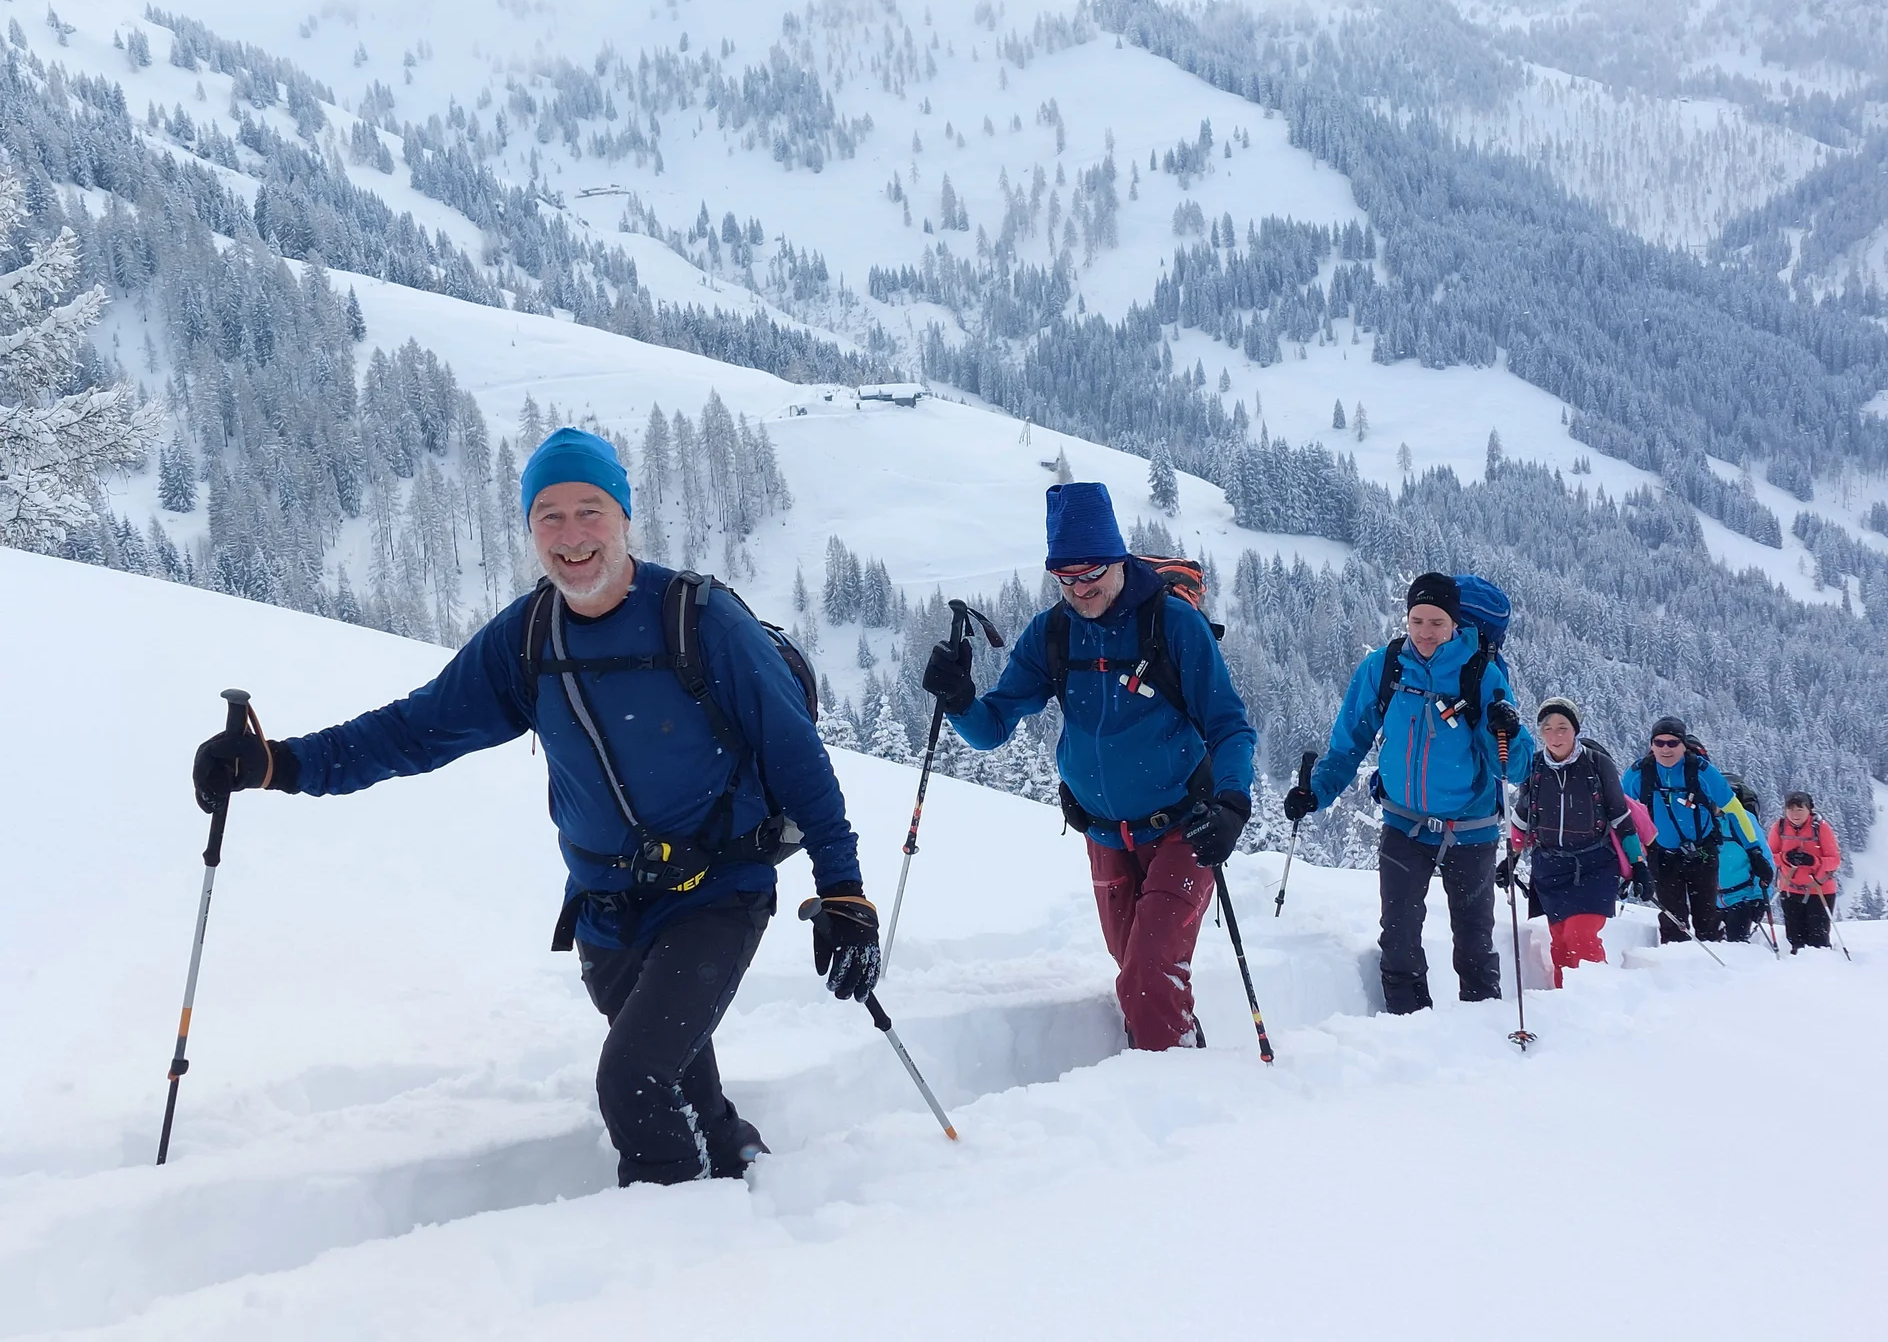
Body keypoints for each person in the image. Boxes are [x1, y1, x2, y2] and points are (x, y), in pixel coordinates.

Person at [190, 428, 876, 1188]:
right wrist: (279, 764)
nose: (572, 536)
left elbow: (797, 758)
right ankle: (741, 1176)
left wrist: (844, 890)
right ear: (529, 529)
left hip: (716, 895)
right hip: (606, 913)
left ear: (624, 518)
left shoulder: (702, 623)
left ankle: (675, 1235)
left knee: (634, 1081)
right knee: (680, 1084)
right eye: (549, 516)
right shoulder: (527, 640)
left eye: (590, 511)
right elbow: (416, 729)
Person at [920, 481, 1256, 1050]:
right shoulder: (1052, 634)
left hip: (1185, 828)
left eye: (1092, 572)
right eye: (1065, 577)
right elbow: (992, 729)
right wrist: (959, 700)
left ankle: (1170, 1089)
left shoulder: (1174, 626)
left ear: (1118, 558)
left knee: (1149, 978)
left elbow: (1230, 727)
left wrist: (1231, 804)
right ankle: (1184, 1062)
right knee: (1138, 974)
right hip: (1104, 834)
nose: (1080, 589)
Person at [1284, 573, 1533, 1014]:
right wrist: (1316, 793)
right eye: (1417, 620)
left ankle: (1483, 1029)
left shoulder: (1480, 674)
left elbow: (1513, 768)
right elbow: (1348, 745)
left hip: (1470, 829)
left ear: (1454, 624)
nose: (1425, 632)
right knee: (1398, 939)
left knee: (1474, 943)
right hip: (1404, 825)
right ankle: (1408, 1028)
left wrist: (1508, 732)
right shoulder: (1385, 667)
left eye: (1437, 622)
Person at [1508, 698, 1645, 986]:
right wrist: (1511, 858)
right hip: (1550, 869)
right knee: (1560, 942)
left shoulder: (1597, 764)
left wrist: (1639, 863)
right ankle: (1566, 1002)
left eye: (1562, 727)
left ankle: (1598, 996)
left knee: (1580, 937)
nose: (1555, 735)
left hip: (1595, 866)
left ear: (1575, 730)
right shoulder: (1535, 767)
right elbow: (1522, 818)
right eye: (1547, 728)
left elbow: (1621, 818)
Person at [1628, 719, 1763, 945]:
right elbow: (1623, 817)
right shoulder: (1639, 774)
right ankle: (1675, 960)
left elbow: (1735, 810)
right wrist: (1631, 860)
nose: (1665, 748)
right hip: (1662, 855)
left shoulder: (1701, 771)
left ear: (1683, 745)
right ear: (1651, 745)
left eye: (1673, 743)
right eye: (1659, 742)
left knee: (1708, 917)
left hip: (1702, 853)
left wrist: (1754, 850)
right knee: (1672, 920)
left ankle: (1710, 960)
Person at [1770, 790, 1842, 952]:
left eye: (1799, 809)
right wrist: (1786, 858)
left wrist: (1814, 861)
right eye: (1790, 809)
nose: (1794, 814)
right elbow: (1769, 856)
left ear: (1809, 810)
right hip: (1790, 890)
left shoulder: (1820, 827)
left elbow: (1835, 860)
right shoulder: (1779, 827)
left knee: (1818, 942)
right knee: (1794, 940)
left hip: (1819, 890)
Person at [1714, 774, 1774, 944]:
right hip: (1712, 900)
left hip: (1743, 899)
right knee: (1711, 950)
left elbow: (1763, 860)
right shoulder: (1704, 822)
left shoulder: (1744, 820)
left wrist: (1760, 898)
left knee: (1737, 949)